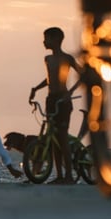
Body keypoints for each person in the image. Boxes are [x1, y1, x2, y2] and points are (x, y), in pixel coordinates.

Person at [29, 26, 82, 185]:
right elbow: (49, 79)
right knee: (52, 137)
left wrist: (70, 92)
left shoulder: (67, 58)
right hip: (50, 99)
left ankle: (69, 176)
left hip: (63, 100)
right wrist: (36, 89)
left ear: (56, 39)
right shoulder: (48, 59)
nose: (44, 41)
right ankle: (59, 175)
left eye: (47, 38)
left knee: (62, 136)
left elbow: (83, 75)